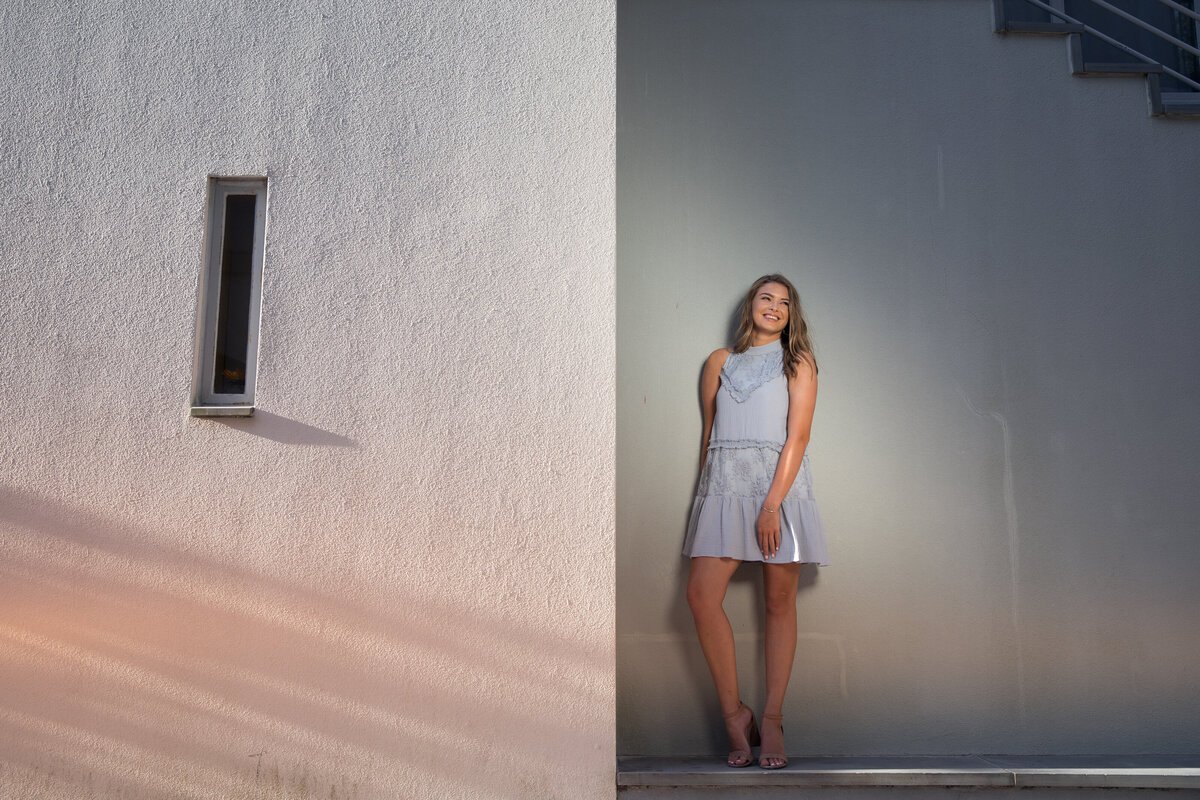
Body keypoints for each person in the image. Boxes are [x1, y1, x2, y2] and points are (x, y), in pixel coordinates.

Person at [682, 274, 828, 770]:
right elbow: (711, 437)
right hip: (725, 489)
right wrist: (705, 501)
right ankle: (734, 715)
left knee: (779, 603)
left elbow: (799, 437)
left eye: (785, 302)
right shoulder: (719, 362)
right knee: (702, 596)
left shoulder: (798, 361)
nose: (775, 306)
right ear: (751, 305)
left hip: (777, 491)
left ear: (791, 315)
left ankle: (771, 718)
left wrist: (771, 507)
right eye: (767, 297)